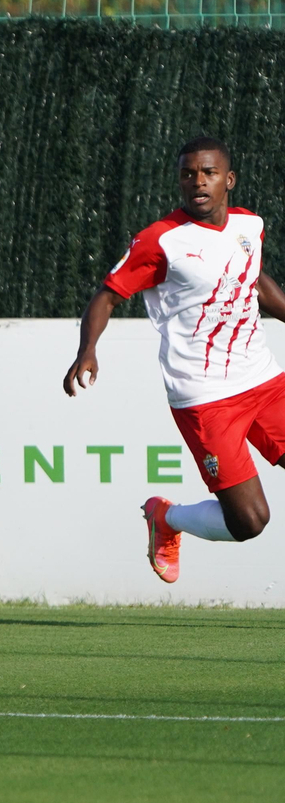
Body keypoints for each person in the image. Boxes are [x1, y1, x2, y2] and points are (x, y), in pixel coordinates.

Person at [64, 136, 285, 583]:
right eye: (188, 174)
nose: (198, 182)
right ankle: (167, 518)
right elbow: (107, 296)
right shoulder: (160, 240)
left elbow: (255, 280)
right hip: (204, 398)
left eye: (208, 173)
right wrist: (87, 349)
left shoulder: (249, 226)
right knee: (250, 522)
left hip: (263, 381)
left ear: (230, 180)